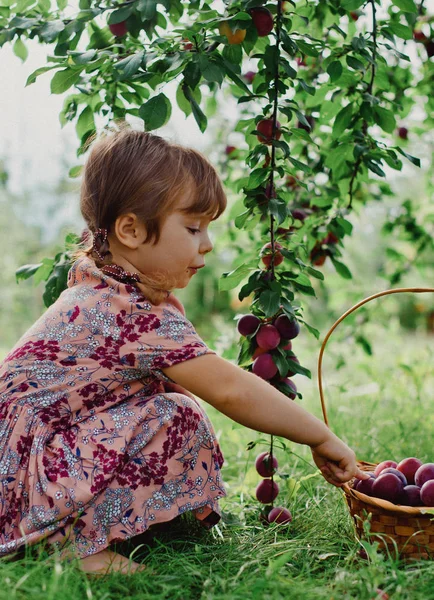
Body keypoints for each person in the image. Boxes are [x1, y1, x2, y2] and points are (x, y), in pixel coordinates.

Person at [0, 124, 368, 577]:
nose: (207, 244)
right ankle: (71, 549)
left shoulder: (104, 288)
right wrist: (320, 435)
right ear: (130, 230)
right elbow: (231, 391)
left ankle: (93, 528)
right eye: (193, 227)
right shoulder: (131, 312)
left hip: (23, 462)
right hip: (28, 469)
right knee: (175, 416)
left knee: (169, 407)